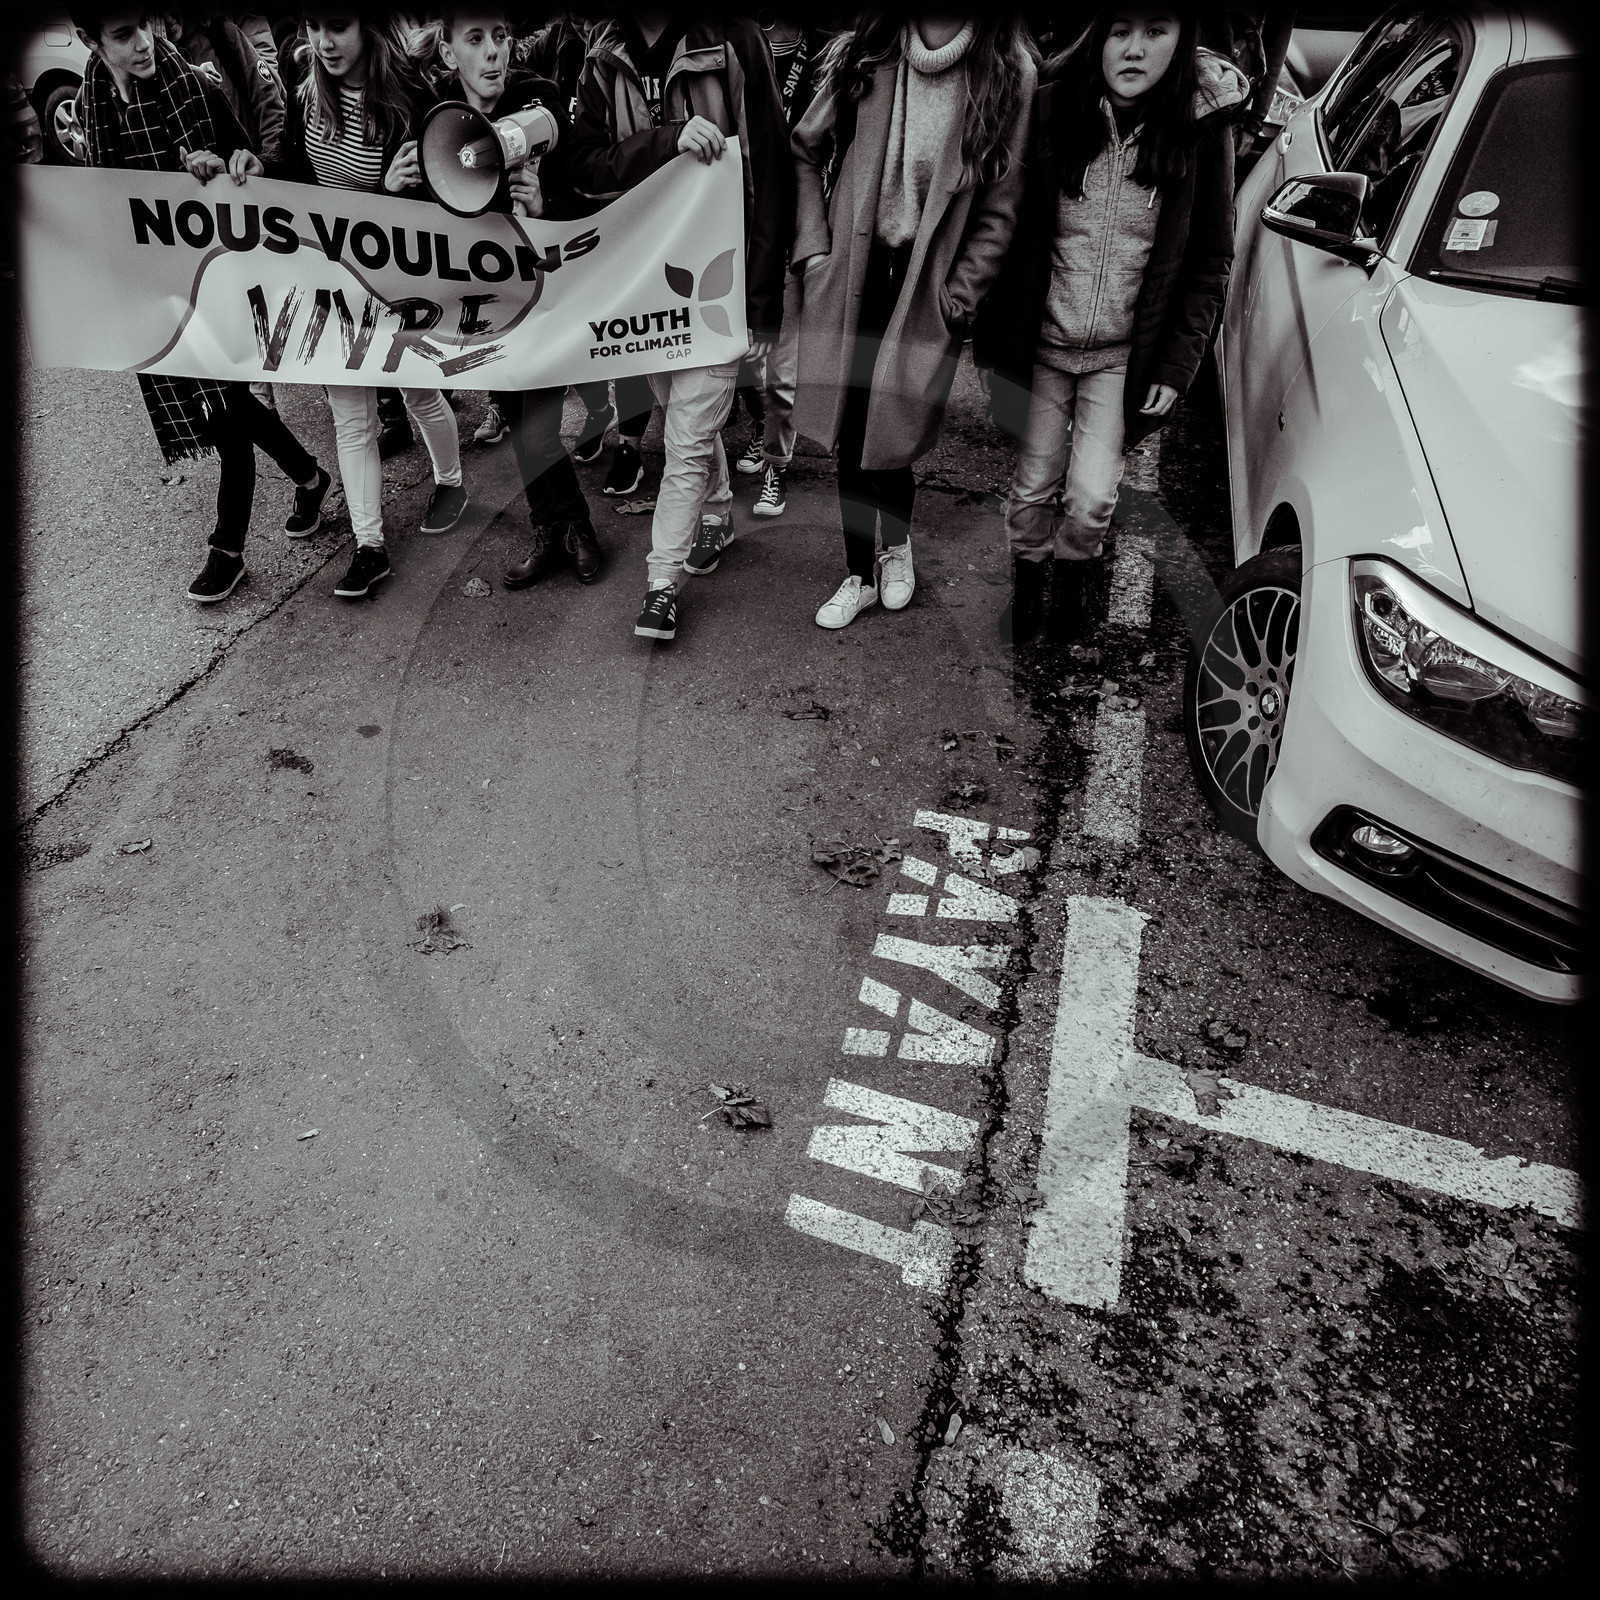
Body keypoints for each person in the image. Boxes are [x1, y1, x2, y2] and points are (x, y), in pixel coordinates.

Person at [975, 7, 1244, 644]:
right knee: (1033, 483)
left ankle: (1072, 589)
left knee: (1092, 496)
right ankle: (1030, 588)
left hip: (1121, 355)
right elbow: (1003, 225)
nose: (1134, 49)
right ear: (1097, 36)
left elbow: (1211, 260)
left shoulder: (1200, 133)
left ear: (1182, 43)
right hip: (1043, 346)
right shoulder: (1048, 111)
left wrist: (1177, 367)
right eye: (1120, 31)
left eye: (1156, 32)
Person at [70, 5, 331, 605]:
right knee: (229, 406)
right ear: (90, 41)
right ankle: (309, 477)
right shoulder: (92, 103)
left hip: (217, 276)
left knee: (222, 410)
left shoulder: (193, 86)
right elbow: (101, 200)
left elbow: (251, 170)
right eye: (121, 35)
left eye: (143, 26)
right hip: (155, 286)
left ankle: (228, 549)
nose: (142, 43)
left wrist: (220, 172)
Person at [791, 9, 1036, 630]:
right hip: (854, 266)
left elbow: (1000, 208)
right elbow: (805, 147)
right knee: (849, 421)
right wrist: (815, 247)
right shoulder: (869, 51)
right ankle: (857, 573)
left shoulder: (1008, 71)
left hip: (927, 281)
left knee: (892, 422)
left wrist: (959, 296)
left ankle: (895, 548)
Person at [569, 5, 793, 645]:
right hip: (646, 290)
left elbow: (772, 172)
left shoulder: (736, 41)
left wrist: (763, 304)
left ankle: (660, 585)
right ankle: (719, 515)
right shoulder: (601, 51)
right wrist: (668, 140)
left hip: (720, 287)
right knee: (677, 412)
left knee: (688, 436)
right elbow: (583, 166)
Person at [267, 6, 471, 601]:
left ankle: (451, 482)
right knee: (349, 416)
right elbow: (290, 175)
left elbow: (446, 197)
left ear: (368, 26)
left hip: (395, 283)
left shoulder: (410, 94)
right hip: (332, 284)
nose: (323, 42)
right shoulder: (307, 91)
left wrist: (395, 192)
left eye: (337, 26)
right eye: (310, 26)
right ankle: (368, 545)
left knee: (417, 389)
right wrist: (250, 170)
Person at [416, 4, 604, 588]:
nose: (494, 50)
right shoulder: (438, 120)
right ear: (450, 53)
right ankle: (550, 531)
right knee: (523, 422)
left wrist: (545, 205)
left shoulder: (540, 103)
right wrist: (390, 187)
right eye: (475, 39)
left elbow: (584, 207)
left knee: (539, 427)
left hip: (544, 297)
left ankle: (577, 528)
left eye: (500, 36)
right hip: (487, 306)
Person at [730, 11, 830, 522]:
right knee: (747, 354)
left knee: (781, 366)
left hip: (793, 228)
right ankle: (761, 431)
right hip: (744, 226)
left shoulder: (826, 53)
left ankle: (776, 463)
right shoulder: (738, 39)